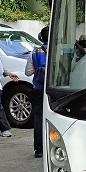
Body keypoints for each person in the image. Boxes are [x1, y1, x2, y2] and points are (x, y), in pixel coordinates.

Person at [26, 26, 48, 158]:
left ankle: (38, 149)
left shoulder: (34, 52)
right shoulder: (59, 50)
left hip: (38, 88)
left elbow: (28, 72)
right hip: (53, 90)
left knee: (38, 117)